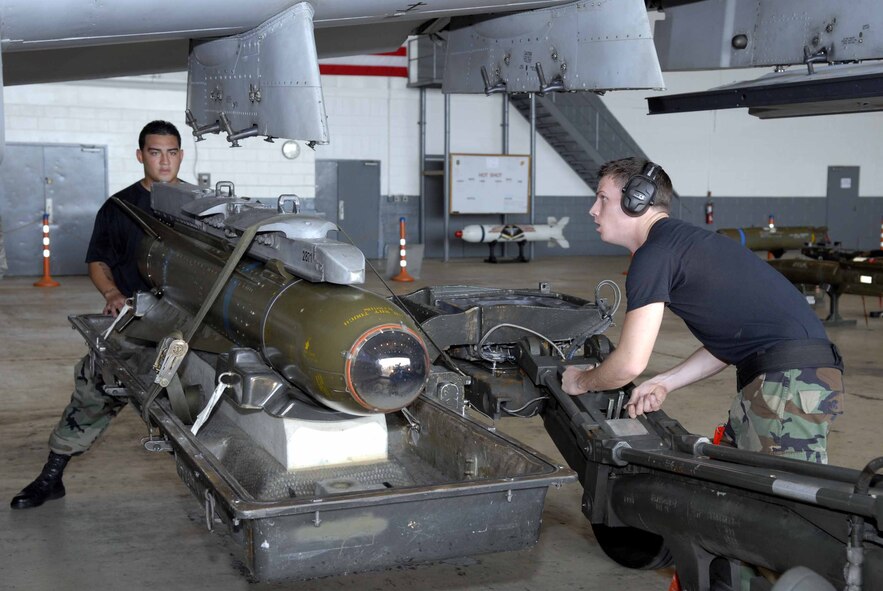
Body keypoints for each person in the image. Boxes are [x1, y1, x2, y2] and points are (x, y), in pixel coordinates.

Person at [561, 157, 843, 464]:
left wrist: (581, 381)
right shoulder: (680, 243)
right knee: (740, 485)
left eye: (603, 198)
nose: (593, 209)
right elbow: (730, 342)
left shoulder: (654, 255)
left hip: (786, 382)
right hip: (790, 376)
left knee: (786, 499)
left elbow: (629, 365)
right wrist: (664, 382)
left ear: (636, 201)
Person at [10, 120, 184, 509]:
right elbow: (97, 261)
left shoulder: (200, 208)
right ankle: (52, 476)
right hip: (135, 320)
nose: (164, 160)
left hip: (188, 324)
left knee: (202, 404)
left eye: (171, 152)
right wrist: (111, 293)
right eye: (155, 152)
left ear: (181, 155)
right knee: (94, 388)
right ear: (141, 156)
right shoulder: (119, 208)